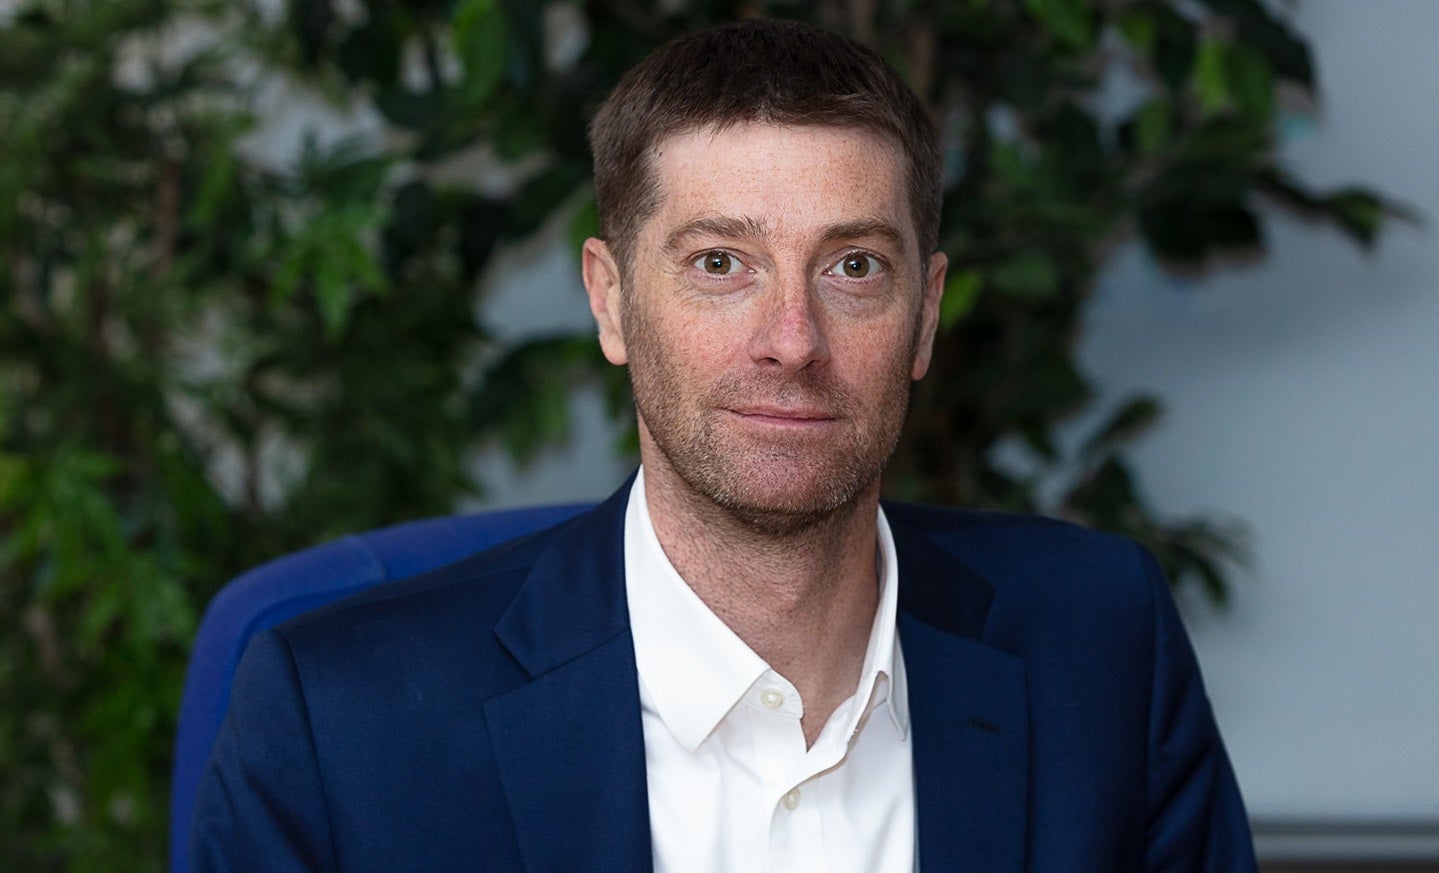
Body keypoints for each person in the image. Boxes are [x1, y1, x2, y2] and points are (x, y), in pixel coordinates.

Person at [190, 19, 1257, 873]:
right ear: (610, 301)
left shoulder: (1100, 647)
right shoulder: (342, 721)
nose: (791, 340)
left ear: (925, 316)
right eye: (718, 264)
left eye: (852, 268)